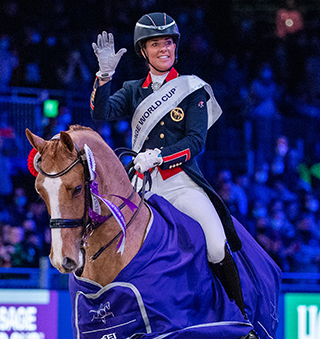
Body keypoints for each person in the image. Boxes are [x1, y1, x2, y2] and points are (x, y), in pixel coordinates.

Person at [89, 13, 245, 308]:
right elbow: (101, 112)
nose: (165, 49)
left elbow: (196, 141)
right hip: (141, 189)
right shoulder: (134, 90)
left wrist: (159, 156)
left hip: (181, 183)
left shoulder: (193, 89)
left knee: (214, 242)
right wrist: (105, 77)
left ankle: (241, 319)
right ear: (144, 51)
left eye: (169, 42)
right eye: (157, 43)